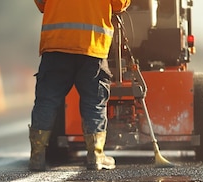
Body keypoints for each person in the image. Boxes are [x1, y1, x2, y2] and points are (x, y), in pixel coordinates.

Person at [29, 0, 131, 171]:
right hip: (91, 47)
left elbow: (41, 4)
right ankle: (96, 156)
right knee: (94, 103)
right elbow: (120, 4)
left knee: (46, 101)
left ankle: (37, 156)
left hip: (56, 44)